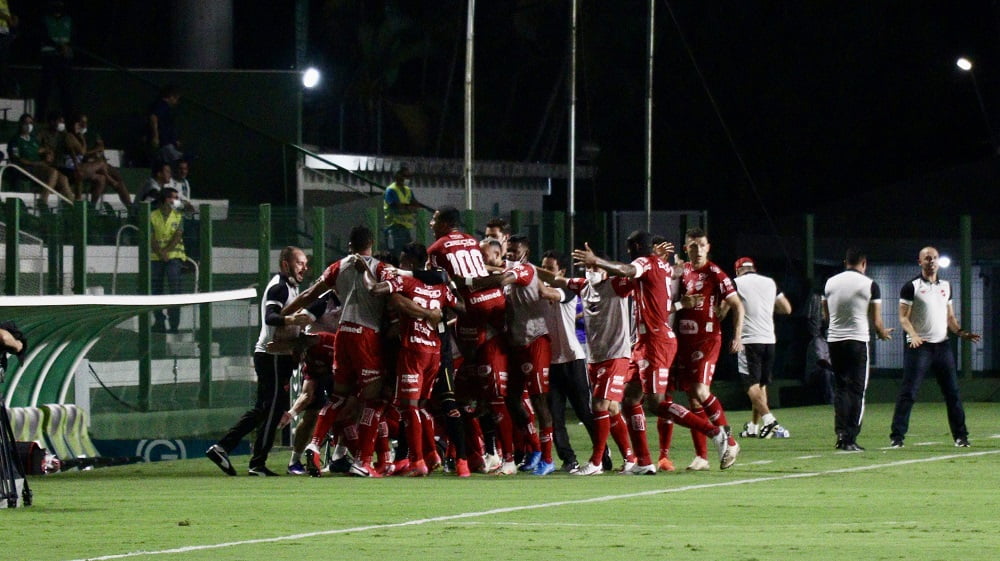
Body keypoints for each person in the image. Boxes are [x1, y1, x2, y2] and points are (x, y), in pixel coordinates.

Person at [573, 231, 737, 473]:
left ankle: (717, 433)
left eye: (630, 249)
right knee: (630, 398)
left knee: (657, 403)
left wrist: (596, 260)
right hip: (647, 340)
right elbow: (658, 292)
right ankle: (644, 461)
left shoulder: (645, 263)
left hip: (655, 341)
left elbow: (629, 270)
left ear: (638, 247)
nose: (629, 254)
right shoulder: (661, 265)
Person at [282, 226, 398, 478]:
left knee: (337, 396)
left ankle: (314, 444)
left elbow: (310, 293)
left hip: (342, 334)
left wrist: (283, 314)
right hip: (367, 334)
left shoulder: (338, 266)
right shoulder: (379, 268)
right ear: (372, 243)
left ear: (349, 245)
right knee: (372, 400)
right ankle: (363, 461)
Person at [206, 246, 312, 476]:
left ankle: (223, 448)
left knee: (265, 408)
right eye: (300, 263)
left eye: (305, 263)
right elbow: (270, 317)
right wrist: (294, 319)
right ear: (286, 264)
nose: (305, 267)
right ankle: (256, 462)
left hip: (277, 356)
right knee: (273, 408)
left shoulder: (292, 287)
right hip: (271, 355)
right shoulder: (279, 287)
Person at [428, 207, 518, 475]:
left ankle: (508, 458)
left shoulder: (436, 249)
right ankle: (487, 454)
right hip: (493, 302)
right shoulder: (470, 240)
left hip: (470, 310)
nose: (431, 223)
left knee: (490, 395)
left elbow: (439, 284)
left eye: (434, 219)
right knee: (473, 393)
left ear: (445, 223)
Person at [471, 234, 562, 476]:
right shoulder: (513, 269)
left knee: (539, 400)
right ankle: (533, 450)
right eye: (508, 250)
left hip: (536, 342)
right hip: (518, 345)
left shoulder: (524, 271)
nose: (510, 254)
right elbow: (495, 267)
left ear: (525, 253)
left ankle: (548, 458)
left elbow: (502, 277)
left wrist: (470, 281)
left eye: (515, 251)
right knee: (511, 399)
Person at [890, 246, 980, 448]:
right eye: (927, 258)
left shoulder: (947, 286)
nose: (932, 261)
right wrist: (912, 334)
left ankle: (961, 436)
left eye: (935, 258)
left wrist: (961, 332)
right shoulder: (910, 286)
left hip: (942, 347)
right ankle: (897, 436)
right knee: (909, 392)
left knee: (953, 393)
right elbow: (903, 317)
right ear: (919, 262)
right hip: (919, 346)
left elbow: (950, 317)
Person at [672, 227, 744, 470]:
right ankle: (702, 456)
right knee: (692, 398)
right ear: (686, 249)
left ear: (708, 247)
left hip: (707, 340)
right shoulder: (682, 273)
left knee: (702, 391)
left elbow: (736, 303)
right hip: (685, 342)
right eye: (693, 245)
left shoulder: (714, 272)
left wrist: (737, 336)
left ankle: (730, 442)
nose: (698, 249)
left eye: (702, 245)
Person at [539, 250, 606, 473]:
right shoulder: (541, 291)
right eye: (543, 267)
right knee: (554, 416)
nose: (545, 271)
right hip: (551, 363)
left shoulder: (566, 291)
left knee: (585, 412)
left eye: (550, 268)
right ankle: (569, 459)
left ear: (562, 272)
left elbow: (547, 291)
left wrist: (526, 273)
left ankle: (602, 455)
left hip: (573, 360)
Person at [822, 247, 894, 452]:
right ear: (864, 264)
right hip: (857, 341)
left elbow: (826, 316)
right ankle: (850, 437)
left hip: (834, 340)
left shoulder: (830, 282)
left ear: (845, 262)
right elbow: (876, 320)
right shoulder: (870, 284)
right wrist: (882, 333)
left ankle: (840, 433)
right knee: (857, 390)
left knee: (841, 389)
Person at [731, 257, 792, 438]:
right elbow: (787, 309)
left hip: (749, 339)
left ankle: (770, 421)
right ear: (753, 268)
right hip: (769, 339)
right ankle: (753, 427)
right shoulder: (770, 282)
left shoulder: (736, 283)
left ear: (737, 270)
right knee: (761, 385)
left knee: (750, 384)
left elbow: (725, 307)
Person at [7, 113, 73, 205]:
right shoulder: (15, 140)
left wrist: (48, 152)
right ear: (21, 124)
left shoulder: (32, 139)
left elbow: (39, 150)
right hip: (26, 168)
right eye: (26, 123)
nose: (29, 125)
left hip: (38, 167)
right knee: (52, 172)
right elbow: (17, 159)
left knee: (63, 178)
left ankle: (72, 204)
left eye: (31, 123)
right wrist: (36, 163)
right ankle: (43, 201)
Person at [149, 187, 186, 333]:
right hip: (156, 257)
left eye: (177, 198)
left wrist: (166, 251)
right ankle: (159, 321)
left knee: (175, 290)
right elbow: (151, 236)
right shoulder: (152, 215)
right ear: (164, 199)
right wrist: (160, 252)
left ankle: (174, 325)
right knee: (155, 290)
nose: (175, 201)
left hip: (174, 258)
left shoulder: (178, 215)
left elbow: (178, 235)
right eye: (172, 197)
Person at [37, 1, 74, 124]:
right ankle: (40, 119)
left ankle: (68, 122)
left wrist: (68, 49)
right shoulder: (45, 20)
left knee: (66, 92)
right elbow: (42, 36)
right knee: (45, 90)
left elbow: (72, 37)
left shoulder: (68, 19)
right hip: (49, 58)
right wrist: (58, 46)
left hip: (64, 60)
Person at [382, 166, 419, 251]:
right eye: (405, 176)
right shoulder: (391, 190)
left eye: (408, 177)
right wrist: (408, 208)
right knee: (396, 253)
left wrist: (406, 207)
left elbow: (415, 205)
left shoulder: (408, 190)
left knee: (408, 253)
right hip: (394, 226)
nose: (407, 179)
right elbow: (396, 207)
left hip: (406, 227)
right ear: (397, 176)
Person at [148, 84, 183, 166]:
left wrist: (175, 140)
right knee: (178, 161)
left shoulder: (166, 108)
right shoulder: (162, 105)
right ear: (171, 96)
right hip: (164, 143)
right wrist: (155, 136)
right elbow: (153, 117)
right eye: (176, 98)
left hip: (168, 142)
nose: (176, 102)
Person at [0, 1, 17, 97]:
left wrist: (13, 18)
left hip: (5, 34)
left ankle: (5, 91)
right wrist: (8, 18)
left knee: (4, 64)